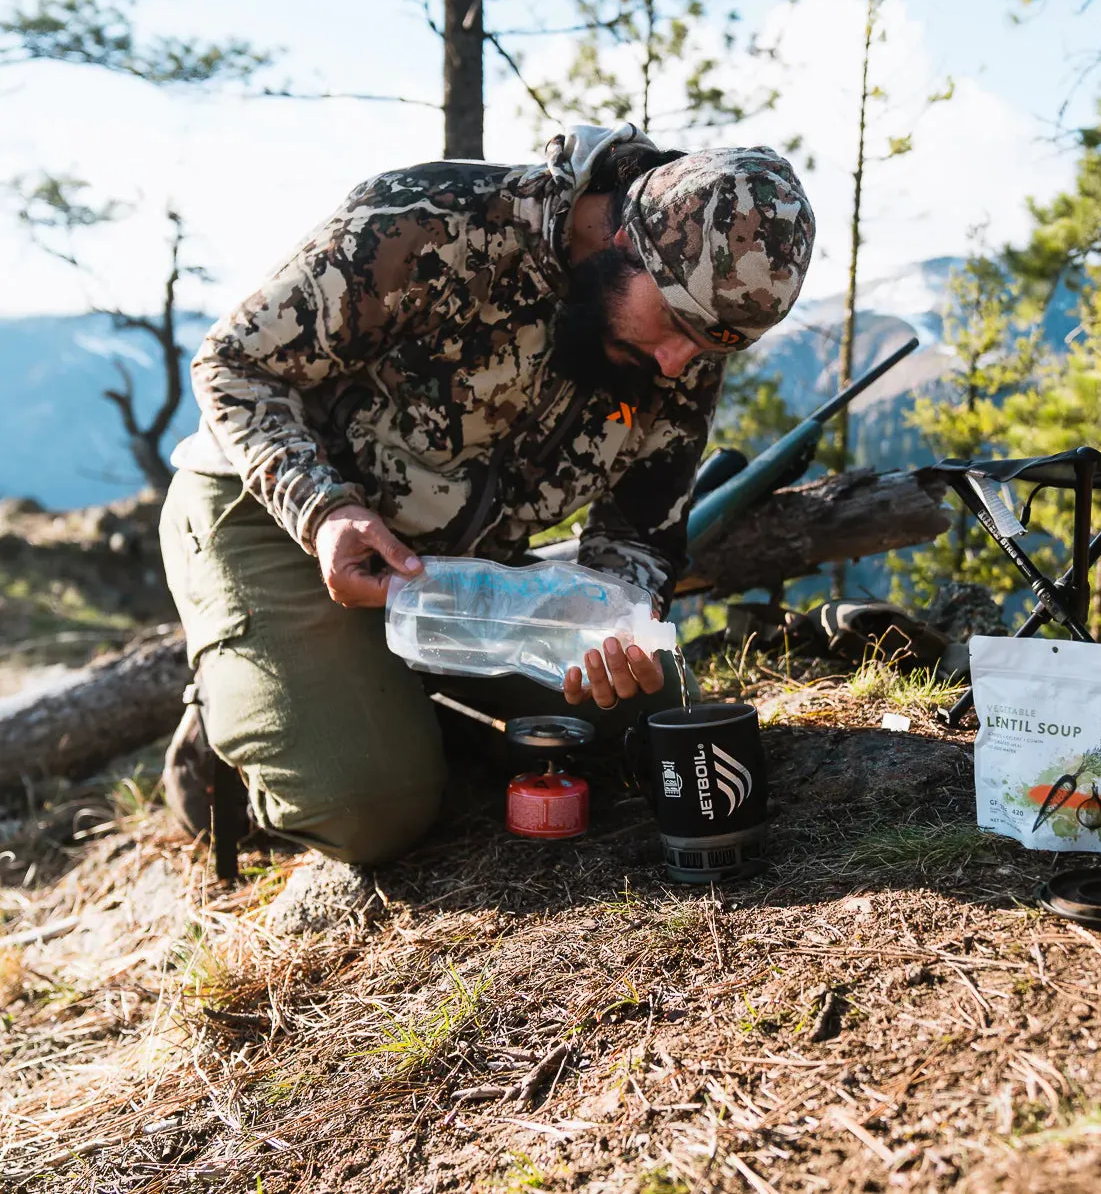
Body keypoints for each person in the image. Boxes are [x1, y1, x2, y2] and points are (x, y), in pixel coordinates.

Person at [158, 124, 815, 864]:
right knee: (369, 809)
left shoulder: (685, 326)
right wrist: (323, 509)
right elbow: (234, 365)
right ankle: (233, 721)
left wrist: (617, 616)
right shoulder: (426, 221)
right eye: (675, 328)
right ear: (620, 237)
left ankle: (392, 706)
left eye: (712, 346)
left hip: (458, 571)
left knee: (652, 719)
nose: (674, 364)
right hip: (276, 521)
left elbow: (637, 533)